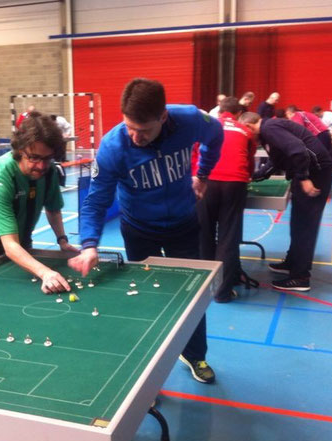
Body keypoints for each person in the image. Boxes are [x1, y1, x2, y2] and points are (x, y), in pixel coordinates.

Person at [68, 78, 223, 384]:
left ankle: (195, 355)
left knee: (193, 297)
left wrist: (202, 173)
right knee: (142, 299)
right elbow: (96, 200)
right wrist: (89, 244)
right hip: (139, 230)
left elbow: (215, 134)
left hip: (184, 225)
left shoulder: (189, 119)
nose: (136, 137)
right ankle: (145, 372)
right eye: (130, 127)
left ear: (163, 117)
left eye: (145, 130)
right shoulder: (113, 147)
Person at [0, 114, 77, 293]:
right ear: (19, 150)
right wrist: (45, 272)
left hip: (21, 243)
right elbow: (9, 245)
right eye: (34, 157)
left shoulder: (49, 171)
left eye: (47, 158)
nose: (41, 166)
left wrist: (62, 240)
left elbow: (53, 209)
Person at [240, 112, 332, 292]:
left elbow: (297, 149)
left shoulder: (269, 128)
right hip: (312, 171)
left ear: (250, 126)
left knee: (306, 224)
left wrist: (304, 178)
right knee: (298, 222)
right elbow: (275, 162)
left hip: (316, 172)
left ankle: (300, 277)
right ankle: (292, 262)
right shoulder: (269, 131)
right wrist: (253, 177)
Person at [196, 96, 256, 303]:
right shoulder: (245, 131)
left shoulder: (205, 127)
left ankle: (204, 285)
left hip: (207, 182)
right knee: (228, 237)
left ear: (219, 110)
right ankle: (222, 292)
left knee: (204, 232)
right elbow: (249, 164)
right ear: (239, 113)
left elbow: (195, 155)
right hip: (235, 184)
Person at [312, 105, 332, 173]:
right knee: (327, 152)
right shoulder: (318, 118)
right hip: (327, 136)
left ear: (320, 111)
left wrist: (331, 136)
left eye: (317, 114)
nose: (316, 116)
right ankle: (328, 167)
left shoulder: (330, 115)